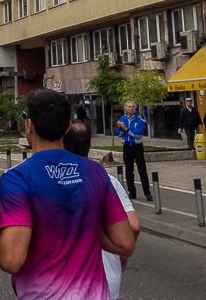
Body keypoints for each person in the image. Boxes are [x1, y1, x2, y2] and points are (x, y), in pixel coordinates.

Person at [0, 89, 135, 299]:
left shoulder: (17, 179)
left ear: (29, 125)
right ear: (68, 126)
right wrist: (81, 228)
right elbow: (126, 243)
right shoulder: (95, 171)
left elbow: (11, 259)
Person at [63, 120, 140, 300]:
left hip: (66, 284)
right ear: (90, 146)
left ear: (62, 145)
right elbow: (134, 226)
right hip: (106, 282)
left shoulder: (54, 183)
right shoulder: (108, 181)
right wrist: (122, 249)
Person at [116, 101, 151, 201]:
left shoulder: (138, 120)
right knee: (128, 170)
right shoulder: (123, 119)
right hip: (127, 146)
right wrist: (120, 128)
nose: (131, 108)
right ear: (126, 108)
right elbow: (118, 134)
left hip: (137, 146)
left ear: (135, 109)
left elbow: (138, 134)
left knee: (142, 170)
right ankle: (132, 192)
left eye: (133, 107)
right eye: (129, 107)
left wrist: (126, 128)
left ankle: (147, 192)